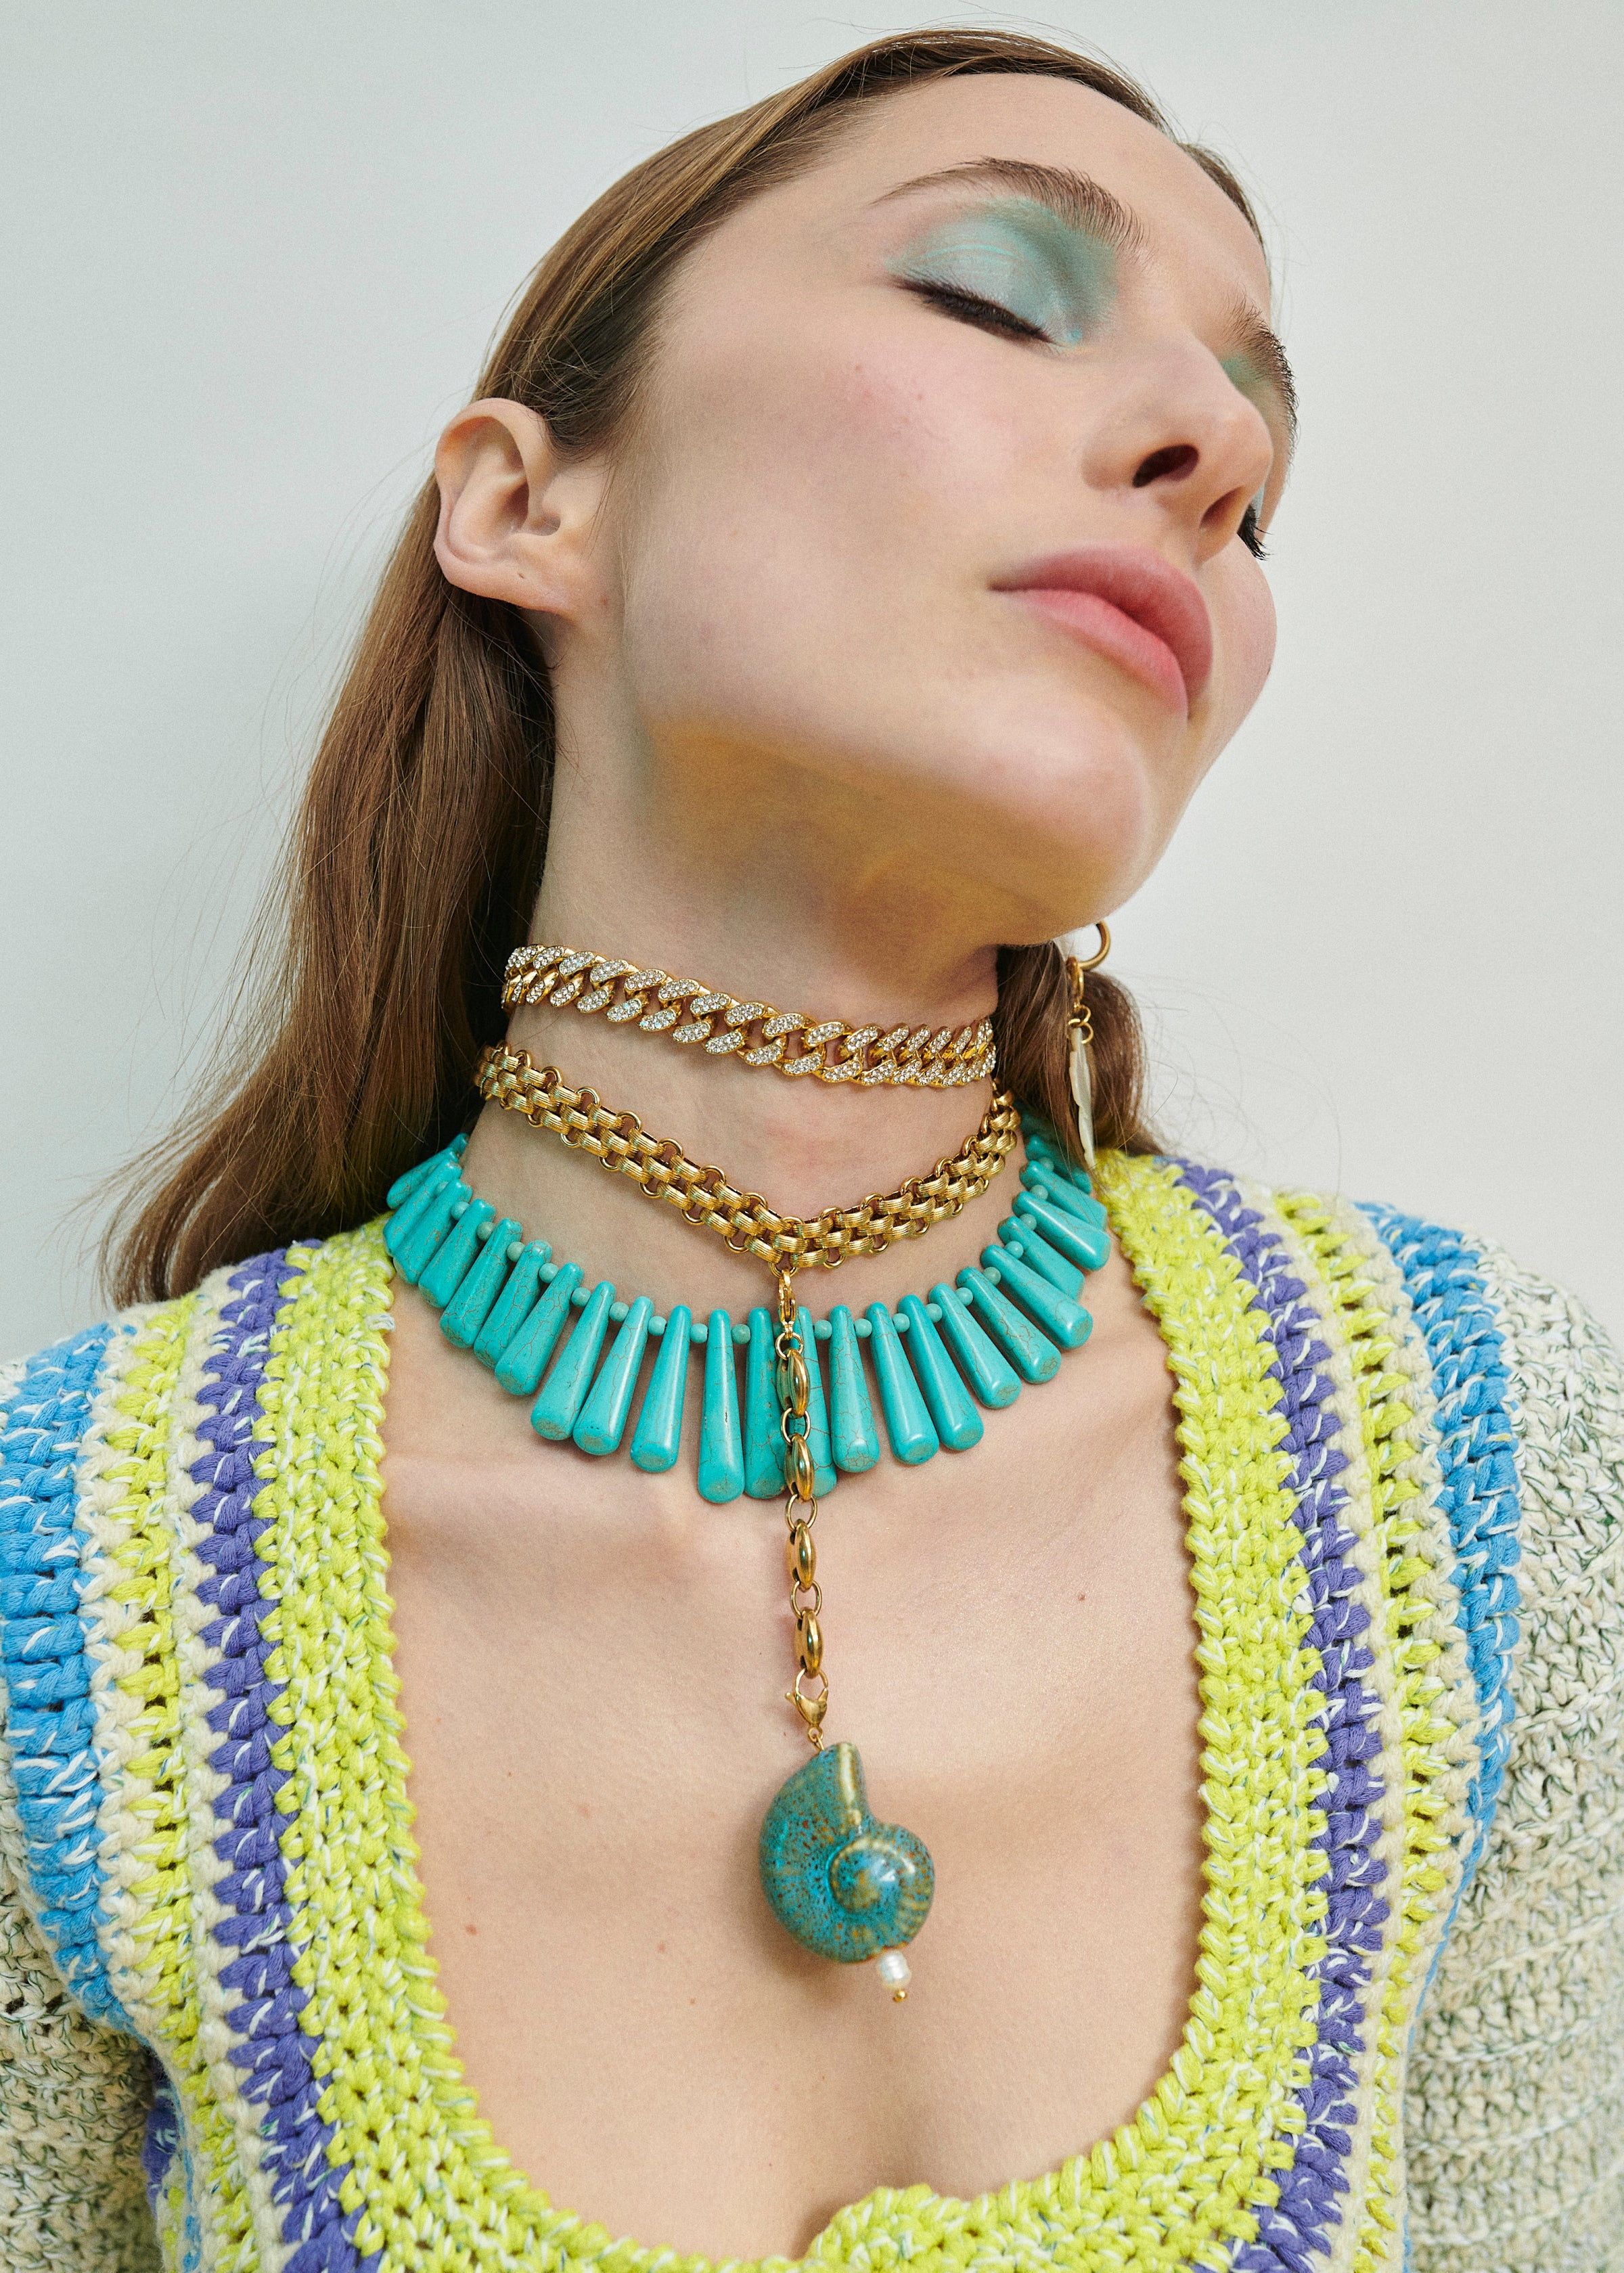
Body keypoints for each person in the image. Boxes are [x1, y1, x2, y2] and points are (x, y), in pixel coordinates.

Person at [1, 25, 1618, 2272]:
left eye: (1261, 487)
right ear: (525, 503)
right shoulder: (78, 1579)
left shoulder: (1482, 1464)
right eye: (995, 292)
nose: (1217, 447)